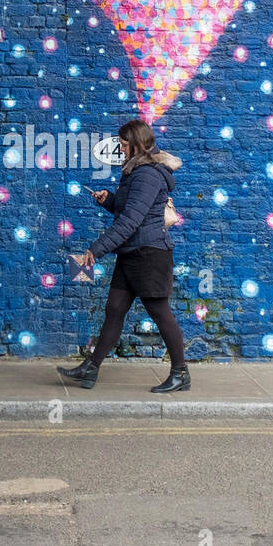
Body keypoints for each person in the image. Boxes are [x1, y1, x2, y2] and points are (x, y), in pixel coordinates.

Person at [59, 118, 191, 393]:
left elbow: (131, 221)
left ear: (136, 144)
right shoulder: (135, 172)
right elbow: (128, 210)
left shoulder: (147, 174)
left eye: (123, 144)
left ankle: (181, 374)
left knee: (160, 313)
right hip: (132, 253)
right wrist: (109, 199)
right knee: (115, 310)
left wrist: (96, 249)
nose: (121, 149)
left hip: (149, 255)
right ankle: (91, 368)